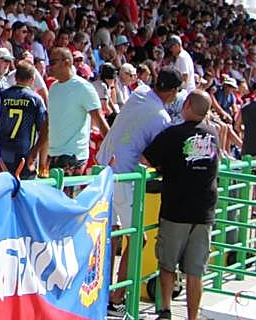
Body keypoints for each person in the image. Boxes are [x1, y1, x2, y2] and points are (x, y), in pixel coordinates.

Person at [96, 69, 180, 312]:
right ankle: (116, 298)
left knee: (110, 234)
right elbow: (156, 156)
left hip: (103, 167)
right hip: (124, 176)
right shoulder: (161, 118)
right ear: (173, 92)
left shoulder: (139, 92)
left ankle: (102, 292)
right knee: (137, 238)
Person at [142, 90, 220, 320]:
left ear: (186, 105)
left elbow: (147, 159)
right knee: (195, 272)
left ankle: (165, 310)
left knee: (167, 265)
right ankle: (191, 317)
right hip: (204, 210)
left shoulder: (173, 134)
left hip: (176, 208)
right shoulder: (213, 134)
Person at [46, 46, 109, 177]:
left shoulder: (84, 87)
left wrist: (112, 149)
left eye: (53, 62)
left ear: (66, 62)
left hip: (74, 157)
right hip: (53, 154)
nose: (49, 66)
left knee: (66, 191)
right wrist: (36, 151)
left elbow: (99, 120)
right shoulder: (53, 88)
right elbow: (48, 122)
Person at [0, 60, 47, 179]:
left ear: (15, 77)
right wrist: (36, 155)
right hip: (24, 153)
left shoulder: (2, 95)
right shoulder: (35, 100)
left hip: (3, 152)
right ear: (32, 80)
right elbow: (45, 130)